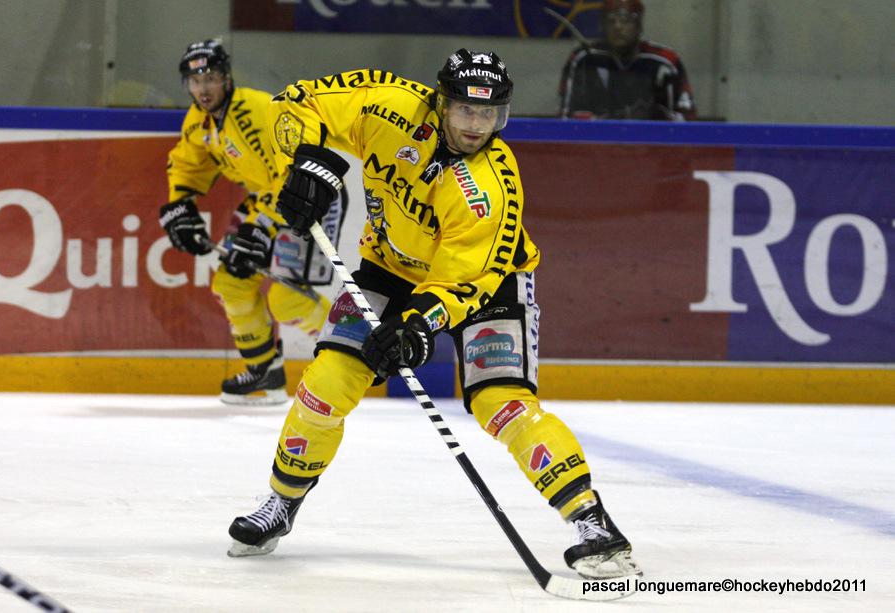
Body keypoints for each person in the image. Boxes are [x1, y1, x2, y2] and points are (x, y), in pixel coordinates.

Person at [226, 49, 641, 580]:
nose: (476, 125)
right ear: (440, 102)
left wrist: (416, 327)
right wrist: (304, 161)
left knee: (502, 403)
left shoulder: (491, 183)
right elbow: (296, 101)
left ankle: (591, 521)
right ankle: (281, 502)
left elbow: (465, 279)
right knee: (326, 383)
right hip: (388, 270)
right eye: (466, 110)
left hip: (490, 285)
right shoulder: (388, 104)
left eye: (488, 114)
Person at [159, 39, 346, 405]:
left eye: (210, 78)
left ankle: (354, 353)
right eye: (195, 81)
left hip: (310, 199)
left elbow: (292, 171)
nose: (203, 89)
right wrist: (179, 205)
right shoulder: (199, 120)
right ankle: (266, 372)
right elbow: (187, 165)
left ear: (226, 78)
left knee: (288, 300)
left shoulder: (255, 110)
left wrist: (261, 226)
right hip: (268, 200)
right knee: (231, 283)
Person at [558, 0, 696, 120]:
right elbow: (566, 119)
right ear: (602, 25)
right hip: (597, 141)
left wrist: (656, 116)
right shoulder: (583, 59)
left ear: (639, 25)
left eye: (626, 20)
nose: (617, 27)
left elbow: (686, 120)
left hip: (651, 141)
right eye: (611, 20)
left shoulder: (665, 62)